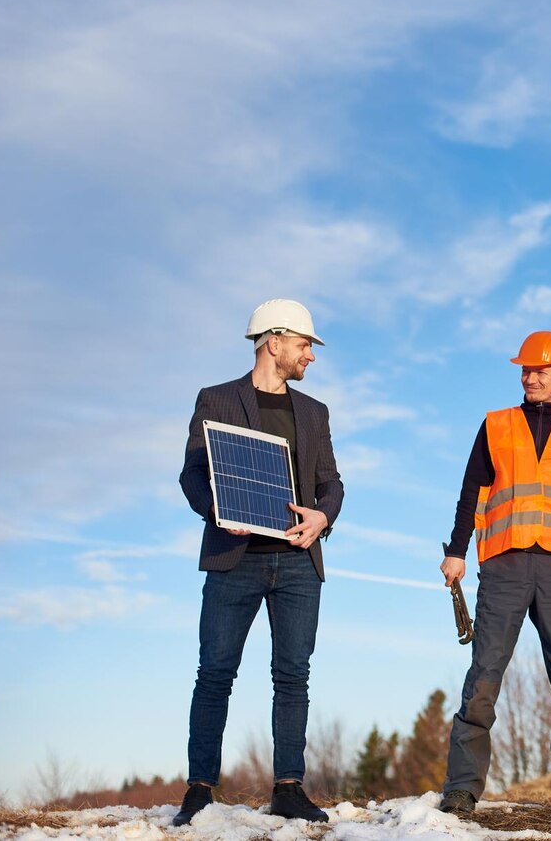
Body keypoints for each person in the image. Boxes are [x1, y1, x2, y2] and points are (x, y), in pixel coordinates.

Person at [172, 299, 344, 826]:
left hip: (296, 564)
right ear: (274, 341)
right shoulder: (217, 399)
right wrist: (217, 510)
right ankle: (200, 789)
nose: (310, 355)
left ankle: (288, 789)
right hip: (234, 560)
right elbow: (192, 475)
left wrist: (322, 518)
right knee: (215, 673)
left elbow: (331, 484)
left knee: (293, 676)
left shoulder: (314, 412)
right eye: (304, 345)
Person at [438, 331, 551, 817]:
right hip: (505, 565)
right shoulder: (495, 425)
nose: (530, 378)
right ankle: (462, 788)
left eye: (540, 371)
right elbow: (470, 491)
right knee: (485, 673)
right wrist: (456, 551)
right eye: (525, 370)